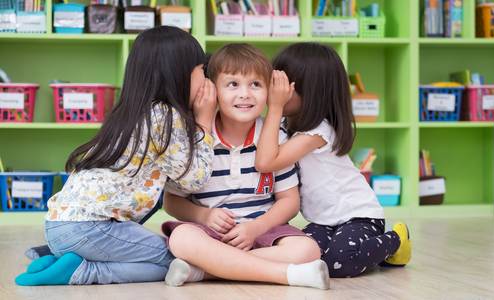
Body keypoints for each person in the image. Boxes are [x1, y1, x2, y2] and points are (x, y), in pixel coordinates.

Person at [15, 26, 217, 285]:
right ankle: (84, 272)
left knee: (157, 245)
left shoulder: (130, 113)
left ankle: (61, 259)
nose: (206, 81)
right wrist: (204, 122)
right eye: (202, 70)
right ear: (179, 74)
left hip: (58, 225)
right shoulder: (166, 117)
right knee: (175, 258)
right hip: (90, 229)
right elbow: (195, 180)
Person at [161, 43, 330, 290]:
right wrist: (204, 215)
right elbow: (171, 202)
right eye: (233, 84)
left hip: (262, 231)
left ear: (269, 91)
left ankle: (205, 271)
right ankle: (286, 275)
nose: (245, 94)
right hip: (208, 233)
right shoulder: (197, 138)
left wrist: (255, 228)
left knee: (308, 249)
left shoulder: (275, 138)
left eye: (256, 85)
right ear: (213, 89)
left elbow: (289, 201)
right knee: (182, 239)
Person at [255, 42, 412, 278]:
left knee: (338, 262)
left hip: (358, 216)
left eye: (284, 86)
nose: (275, 91)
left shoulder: (319, 132)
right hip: (322, 220)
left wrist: (274, 107)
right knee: (304, 254)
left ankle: (397, 240)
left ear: (311, 92)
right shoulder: (286, 125)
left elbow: (266, 161)